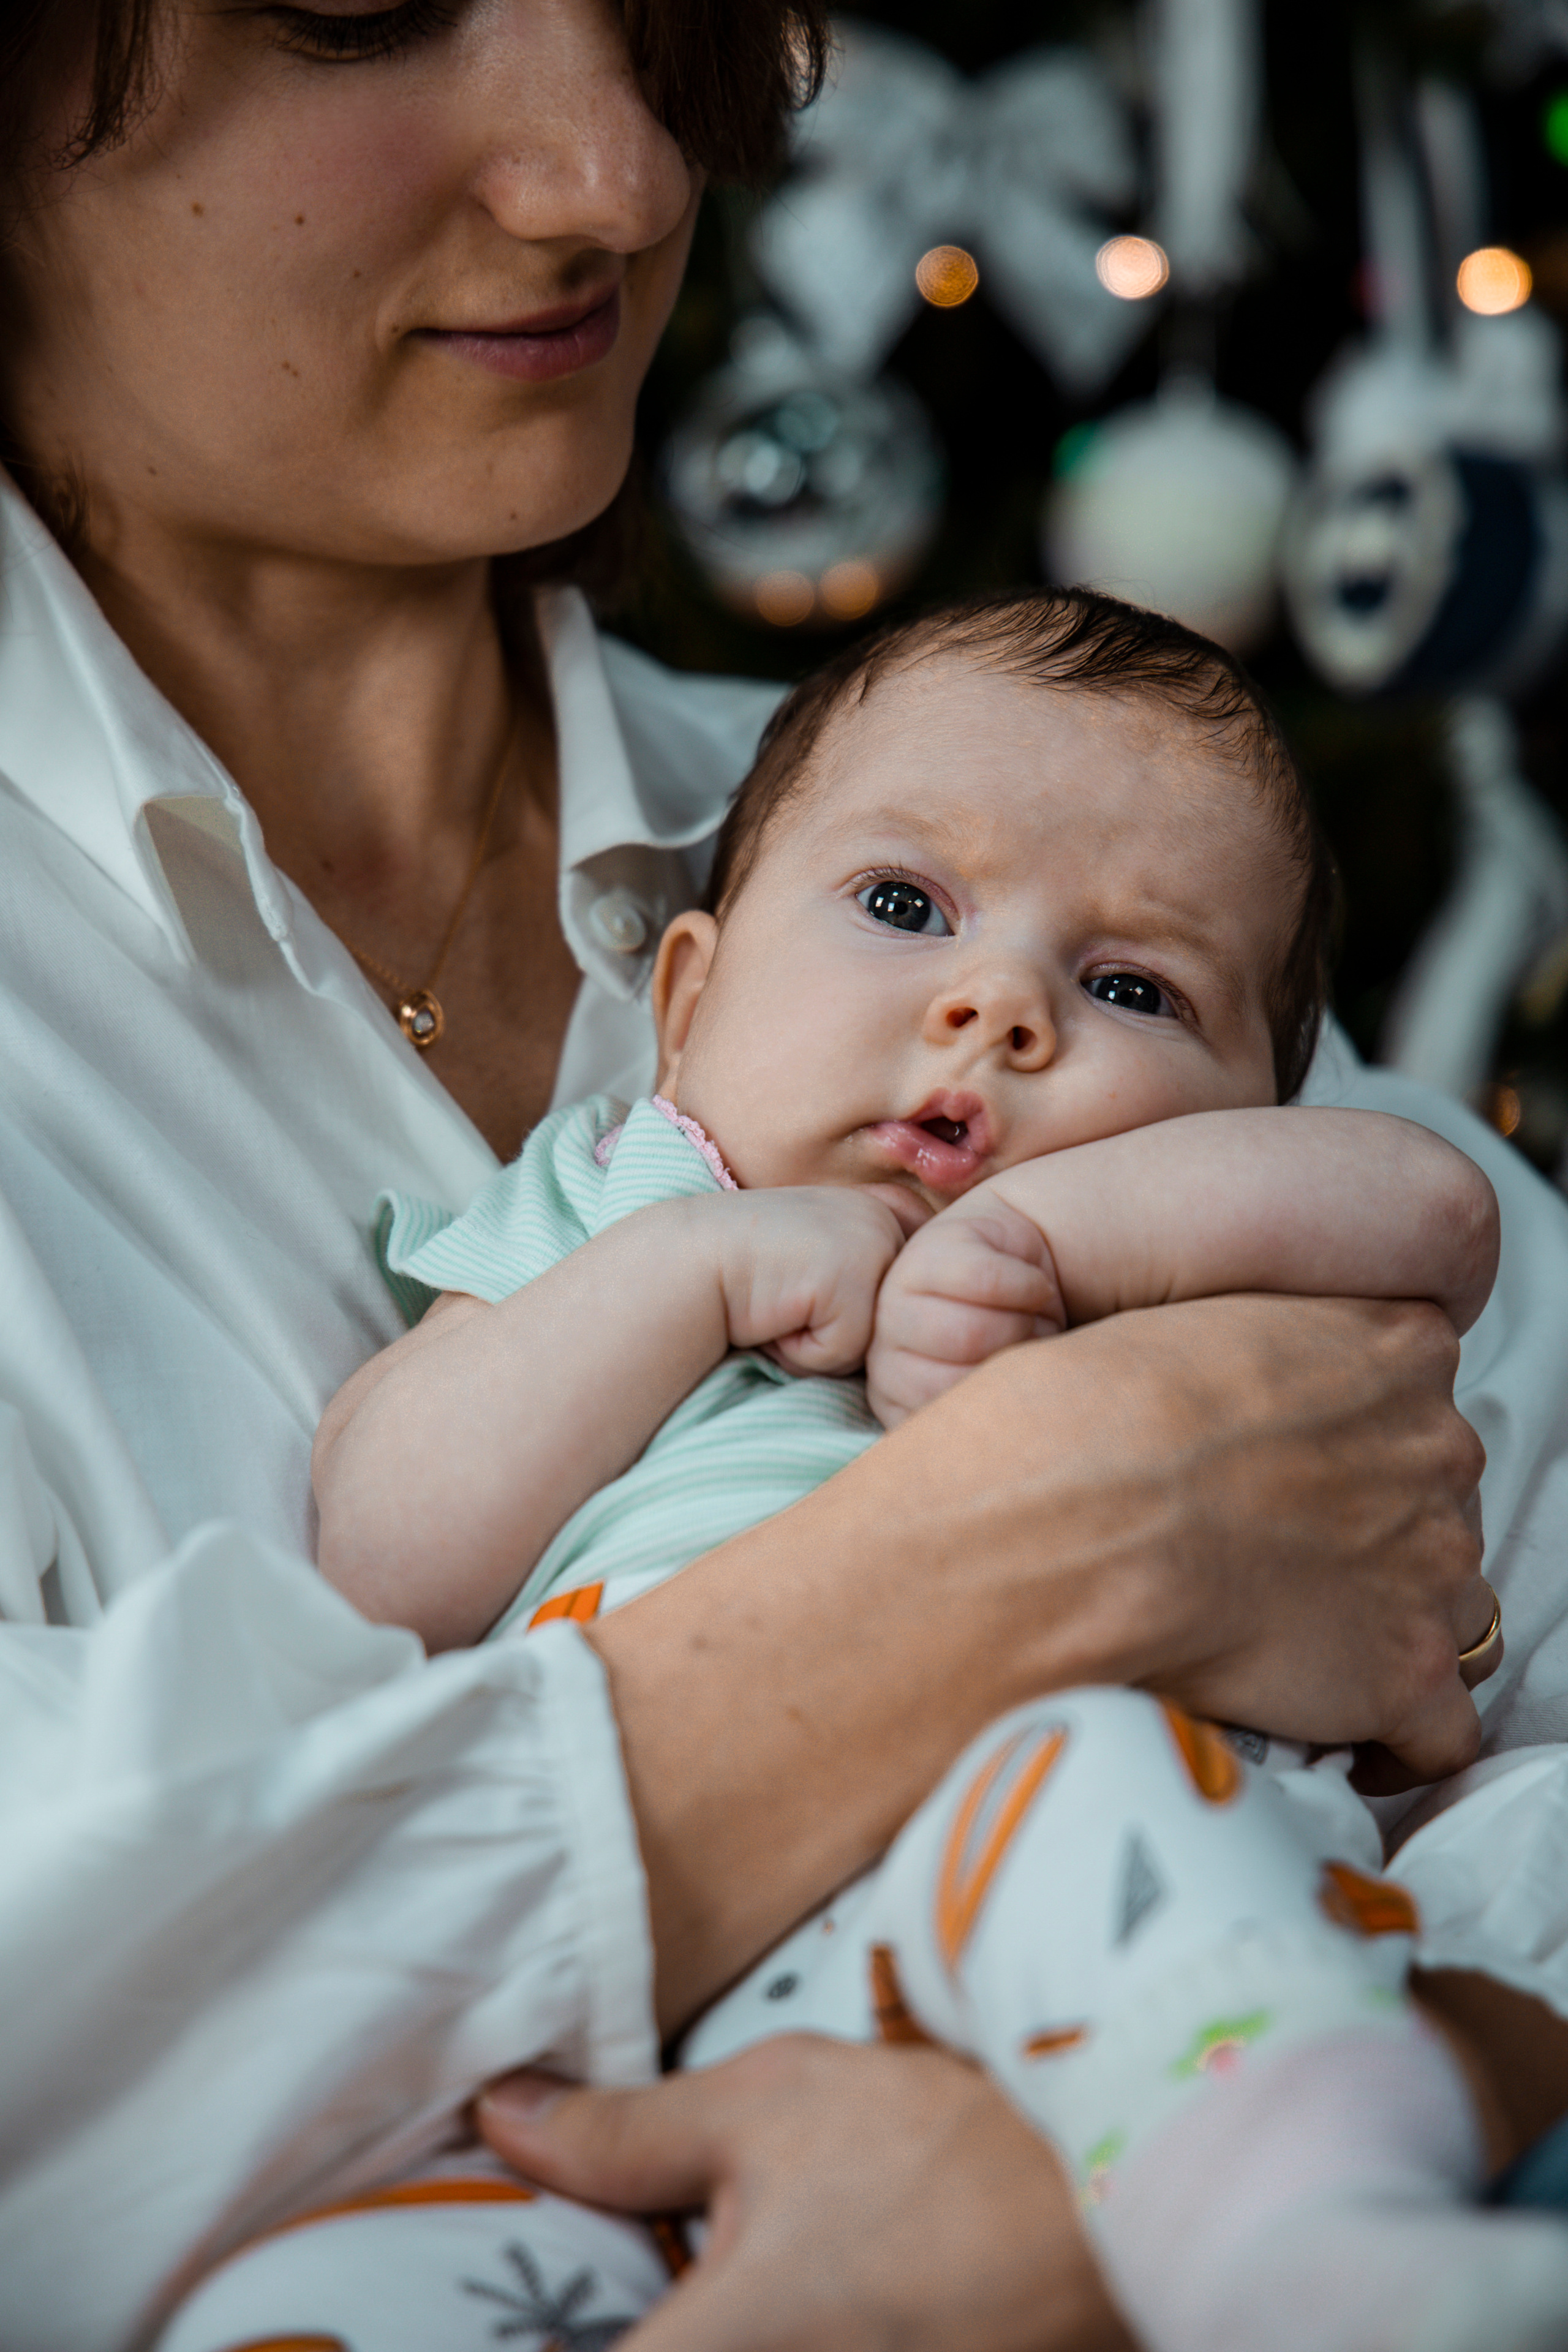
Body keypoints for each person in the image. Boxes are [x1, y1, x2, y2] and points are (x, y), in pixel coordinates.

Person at [0, 6, 1561, 2349]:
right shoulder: (729, 1078)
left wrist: (1351, 2102)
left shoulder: (1001, 808)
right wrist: (1057, 1541)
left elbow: (1461, 1302)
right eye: (362, 2)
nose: (619, 179)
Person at [159, 589, 1561, 2352]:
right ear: (689, 1000)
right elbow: (378, 1550)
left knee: (1087, 1777)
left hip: (1102, 1929)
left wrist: (1046, 1244)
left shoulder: (1191, 1258)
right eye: (904, 907)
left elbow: (1436, 1210)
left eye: (1130, 987)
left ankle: (1319, 2253)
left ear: (1249, 1117)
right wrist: (698, 1274)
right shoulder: (632, 1202)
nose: (997, 1007)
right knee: (295, 2296)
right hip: (624, 2032)